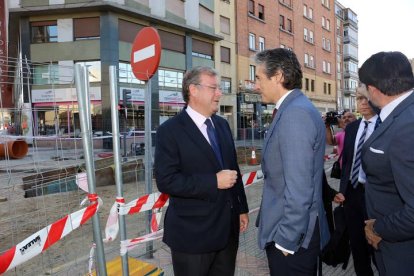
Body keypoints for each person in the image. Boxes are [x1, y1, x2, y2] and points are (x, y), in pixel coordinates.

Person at [154, 66, 249, 276]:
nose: (219, 93)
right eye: (214, 88)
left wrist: (241, 207)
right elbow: (166, 181)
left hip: (227, 232)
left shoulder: (222, 125)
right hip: (193, 237)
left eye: (219, 88)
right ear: (193, 90)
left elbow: (234, 170)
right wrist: (212, 182)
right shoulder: (169, 131)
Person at [254, 48, 330, 275]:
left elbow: (299, 188)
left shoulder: (295, 114)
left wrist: (286, 240)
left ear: (277, 76)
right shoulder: (292, 109)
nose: (256, 85)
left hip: (291, 239)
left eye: (258, 77)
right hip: (289, 232)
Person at [359, 51, 414, 275]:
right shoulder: (400, 115)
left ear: (373, 89)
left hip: (401, 250)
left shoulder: (406, 126)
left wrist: (378, 228)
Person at [333, 84, 377, 275]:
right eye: (359, 98)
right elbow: (347, 162)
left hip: (374, 196)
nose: (363, 103)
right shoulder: (352, 129)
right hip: (351, 194)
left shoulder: (386, 126)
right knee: (358, 248)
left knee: (377, 248)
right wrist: (342, 189)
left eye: (367, 98)